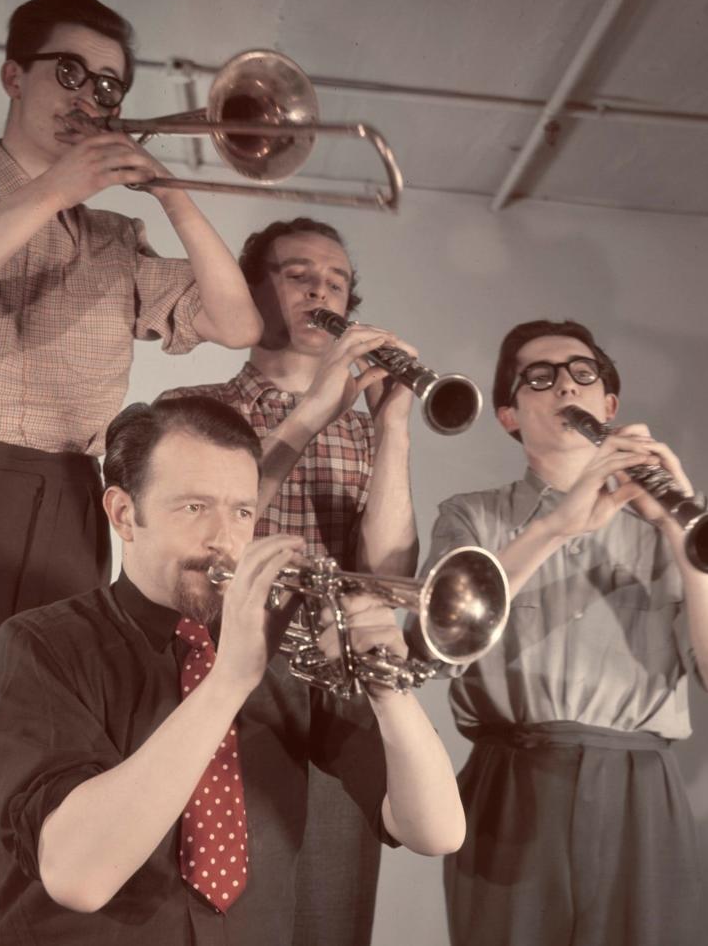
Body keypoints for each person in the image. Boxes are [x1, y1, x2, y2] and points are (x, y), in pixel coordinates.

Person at [0, 0, 262, 946]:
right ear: (14, 75)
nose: (91, 95)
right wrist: (56, 189)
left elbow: (236, 324)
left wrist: (170, 193)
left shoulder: (121, 243)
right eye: (68, 73)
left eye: (110, 85)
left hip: (75, 507)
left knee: (33, 809)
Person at [0, 396, 465, 945]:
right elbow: (79, 877)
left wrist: (388, 691)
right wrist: (228, 681)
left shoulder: (287, 647)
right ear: (123, 514)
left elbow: (437, 830)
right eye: (193, 507)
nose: (224, 539)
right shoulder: (41, 646)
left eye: (241, 511)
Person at [423, 320, 708, 946]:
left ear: (609, 407)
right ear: (509, 415)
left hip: (640, 786)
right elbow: (434, 645)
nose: (566, 388)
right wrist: (558, 525)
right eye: (540, 378)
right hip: (512, 778)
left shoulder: (673, 524)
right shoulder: (471, 515)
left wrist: (677, 532)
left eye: (585, 374)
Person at [161, 217, 418, 945]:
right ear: (252, 289)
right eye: (298, 274)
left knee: (331, 912)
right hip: (222, 666)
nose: (321, 290)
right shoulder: (196, 410)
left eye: (336, 281)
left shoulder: (365, 430)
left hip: (336, 673)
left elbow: (388, 576)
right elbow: (207, 536)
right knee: (224, 913)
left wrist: (392, 429)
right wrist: (310, 413)